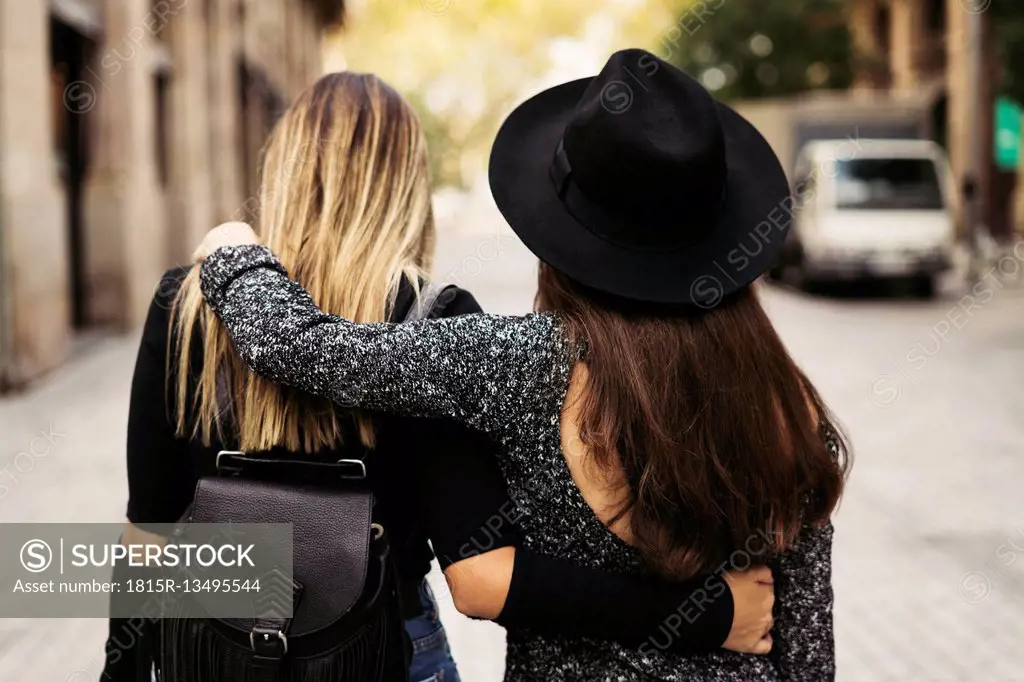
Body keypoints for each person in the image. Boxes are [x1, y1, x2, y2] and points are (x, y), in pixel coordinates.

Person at [194, 50, 851, 681]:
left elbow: (302, 349)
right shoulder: (789, 409)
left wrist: (233, 253)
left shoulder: (516, 360)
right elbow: (807, 651)